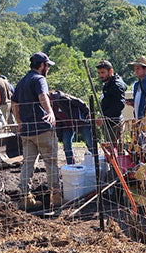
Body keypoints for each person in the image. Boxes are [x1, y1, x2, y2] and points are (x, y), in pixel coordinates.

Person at [11, 52, 61, 210]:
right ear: (41, 66)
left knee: (28, 164)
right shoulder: (39, 79)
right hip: (42, 129)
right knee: (51, 163)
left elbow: (14, 104)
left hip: (27, 131)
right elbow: (42, 96)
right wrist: (50, 112)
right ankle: (56, 198)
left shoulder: (21, 82)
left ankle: (26, 197)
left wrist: (19, 122)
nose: (48, 69)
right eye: (47, 66)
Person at [49, 90, 93, 165]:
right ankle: (71, 165)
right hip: (67, 125)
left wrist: (87, 113)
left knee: (89, 142)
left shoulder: (62, 98)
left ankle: (95, 162)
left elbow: (79, 102)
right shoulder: (50, 108)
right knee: (66, 143)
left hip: (80, 122)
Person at [96, 60, 126, 143]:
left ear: (111, 71)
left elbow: (120, 105)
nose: (100, 75)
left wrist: (104, 116)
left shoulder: (116, 85)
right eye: (99, 73)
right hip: (108, 123)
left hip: (114, 123)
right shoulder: (108, 83)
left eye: (103, 72)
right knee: (109, 148)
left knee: (115, 149)